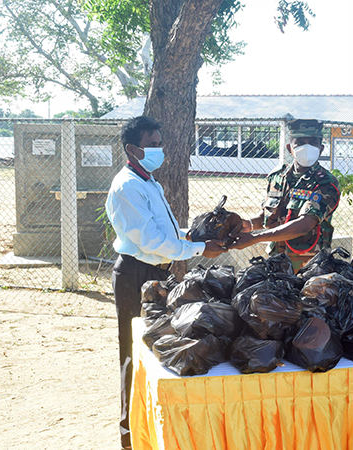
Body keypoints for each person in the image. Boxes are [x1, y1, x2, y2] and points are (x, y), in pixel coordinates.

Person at [105, 115, 227, 450]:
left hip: (156, 274)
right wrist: (200, 248)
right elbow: (152, 242)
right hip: (135, 274)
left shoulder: (148, 182)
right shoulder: (127, 186)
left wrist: (197, 235)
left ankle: (149, 427)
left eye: (160, 144)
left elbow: (168, 234)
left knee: (157, 349)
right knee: (133, 352)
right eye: (153, 145)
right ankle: (130, 434)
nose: (160, 150)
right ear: (132, 149)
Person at [228, 119, 340, 271]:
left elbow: (304, 225)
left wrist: (255, 238)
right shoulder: (277, 177)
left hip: (310, 267)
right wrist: (246, 225)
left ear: (321, 149)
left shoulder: (326, 183)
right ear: (289, 148)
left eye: (312, 143)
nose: (307, 147)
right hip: (277, 262)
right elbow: (267, 217)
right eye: (300, 143)